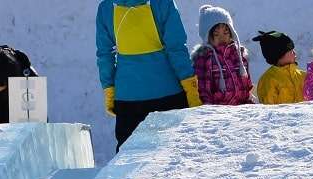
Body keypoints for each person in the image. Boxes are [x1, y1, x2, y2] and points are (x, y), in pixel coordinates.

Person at [96, 0, 201, 152]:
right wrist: (191, 88)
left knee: (128, 158)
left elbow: (105, 55)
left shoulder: (106, 7)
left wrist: (109, 91)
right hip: (168, 94)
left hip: (127, 98)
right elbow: (176, 48)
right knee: (173, 154)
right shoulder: (163, 3)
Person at [192, 5, 254, 105]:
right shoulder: (205, 58)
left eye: (226, 33)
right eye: (216, 34)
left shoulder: (238, 54)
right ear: (207, 36)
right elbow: (203, 91)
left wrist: (248, 103)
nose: (222, 38)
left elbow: (247, 85)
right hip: (220, 113)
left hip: (241, 109)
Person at [253, 30, 306, 105]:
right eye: (291, 51)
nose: (295, 53)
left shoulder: (303, 76)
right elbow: (268, 110)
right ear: (279, 55)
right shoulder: (269, 80)